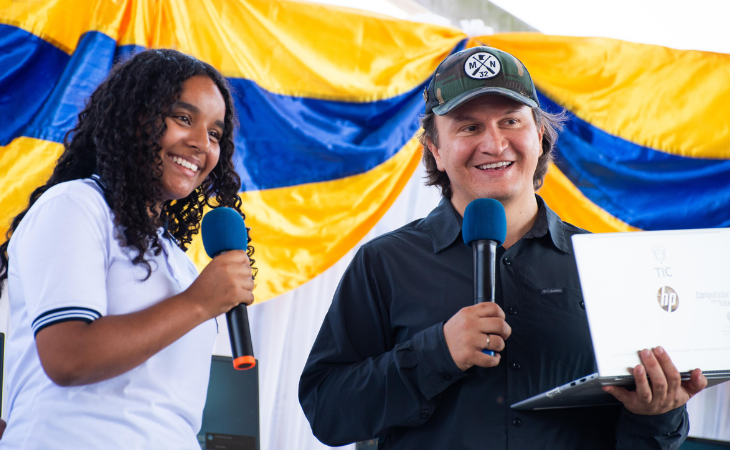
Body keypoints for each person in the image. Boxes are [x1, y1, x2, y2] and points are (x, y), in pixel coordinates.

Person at [298, 46, 707, 449]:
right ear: (435, 150)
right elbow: (327, 413)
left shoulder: (608, 265)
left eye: (511, 121)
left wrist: (659, 414)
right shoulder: (384, 263)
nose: (494, 144)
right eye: (469, 127)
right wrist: (436, 352)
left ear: (540, 135)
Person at [0, 49, 254, 449]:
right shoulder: (76, 205)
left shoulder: (176, 260)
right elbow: (68, 357)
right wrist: (198, 304)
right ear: (137, 117)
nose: (200, 144)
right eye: (183, 119)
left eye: (215, 134)